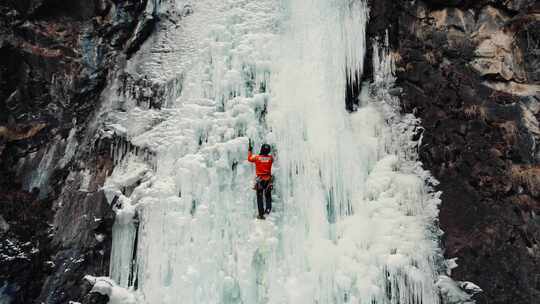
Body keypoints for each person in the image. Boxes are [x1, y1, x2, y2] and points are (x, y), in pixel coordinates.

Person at [248, 141, 273, 220]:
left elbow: (249, 158)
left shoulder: (257, 158)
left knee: (259, 197)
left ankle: (261, 214)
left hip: (260, 180)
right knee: (268, 196)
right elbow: (272, 158)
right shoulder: (270, 159)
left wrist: (250, 150)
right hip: (268, 180)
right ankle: (268, 209)